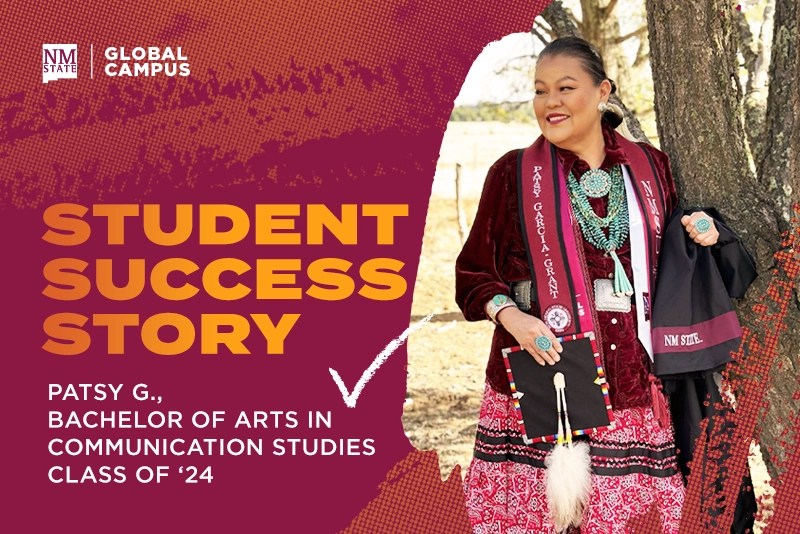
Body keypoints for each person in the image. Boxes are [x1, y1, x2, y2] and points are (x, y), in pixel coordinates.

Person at [455, 36, 720, 533]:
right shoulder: (512, 174)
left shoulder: (649, 167)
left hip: (632, 381)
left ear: (603, 92)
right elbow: (473, 273)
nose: (550, 102)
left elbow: (674, 259)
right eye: (539, 91)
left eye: (565, 87)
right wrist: (515, 319)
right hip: (541, 372)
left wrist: (704, 229)